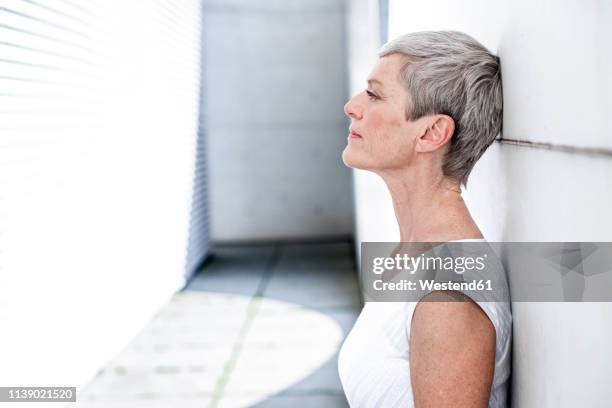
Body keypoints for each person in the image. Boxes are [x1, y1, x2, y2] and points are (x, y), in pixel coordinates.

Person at [337, 31, 512, 407]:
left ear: (432, 133)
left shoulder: (447, 299)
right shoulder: (413, 253)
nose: (352, 106)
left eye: (374, 94)